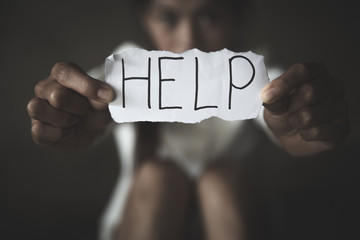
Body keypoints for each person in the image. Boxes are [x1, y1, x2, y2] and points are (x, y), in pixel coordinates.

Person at [26, 0, 350, 239]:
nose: (188, 40)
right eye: (168, 17)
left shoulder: (252, 74)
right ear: (144, 17)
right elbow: (87, 94)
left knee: (220, 180)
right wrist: (69, 112)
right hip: (144, 217)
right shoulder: (126, 74)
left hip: (234, 215)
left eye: (209, 16)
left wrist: (300, 120)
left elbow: (277, 95)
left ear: (237, 16)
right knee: (157, 177)